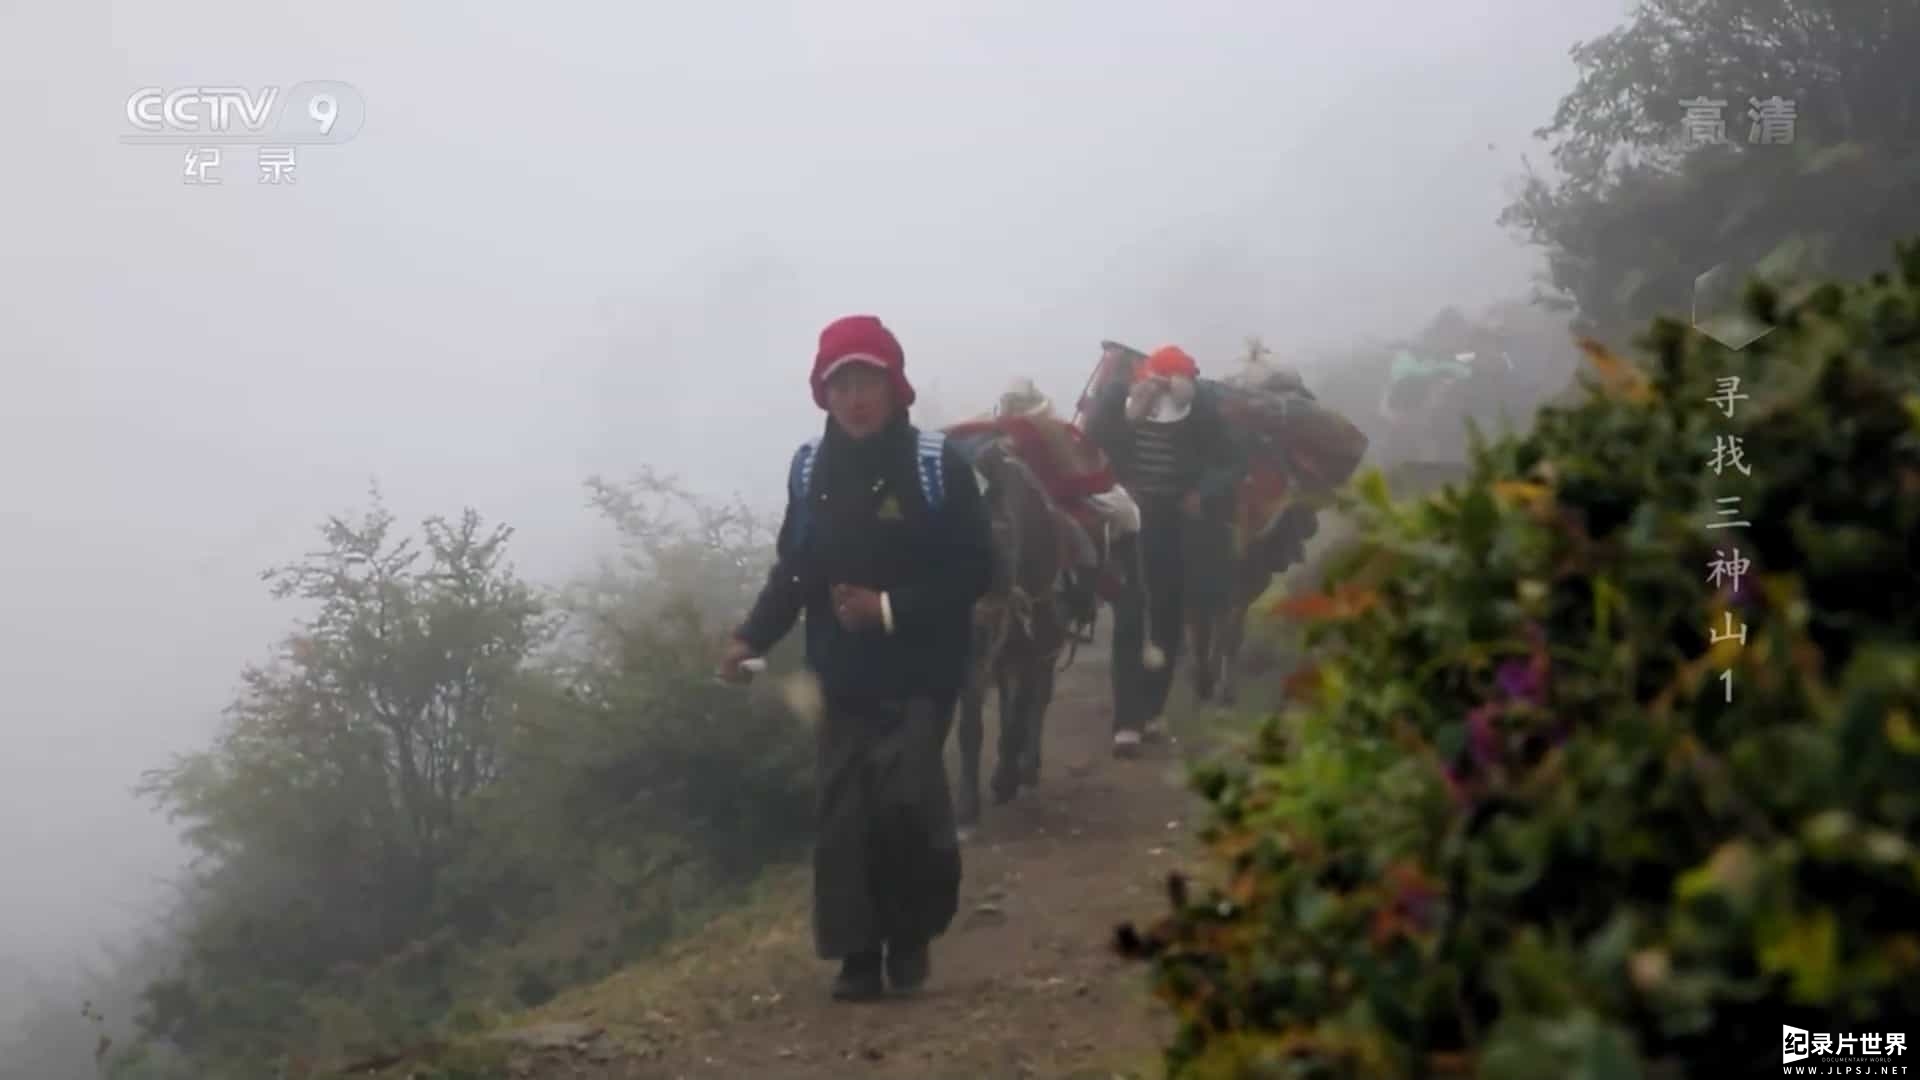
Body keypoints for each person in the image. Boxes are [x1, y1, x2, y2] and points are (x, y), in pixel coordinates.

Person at [718, 314, 993, 1001]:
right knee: (844, 818)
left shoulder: (937, 466)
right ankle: (858, 956)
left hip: (923, 672)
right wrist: (752, 635)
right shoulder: (811, 468)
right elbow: (797, 568)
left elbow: (977, 571)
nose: (855, 396)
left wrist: (889, 607)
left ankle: (911, 938)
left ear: (895, 386)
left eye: (867, 379)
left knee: (905, 804)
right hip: (839, 673)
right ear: (823, 393)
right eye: (841, 383)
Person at [1084, 345, 1246, 756]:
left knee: (1169, 614)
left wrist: (1201, 492)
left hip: (1177, 523)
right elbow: (1094, 441)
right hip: (1131, 521)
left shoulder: (1203, 411)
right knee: (1130, 613)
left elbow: (1231, 460)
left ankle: (1152, 710)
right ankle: (1127, 722)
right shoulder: (1123, 401)